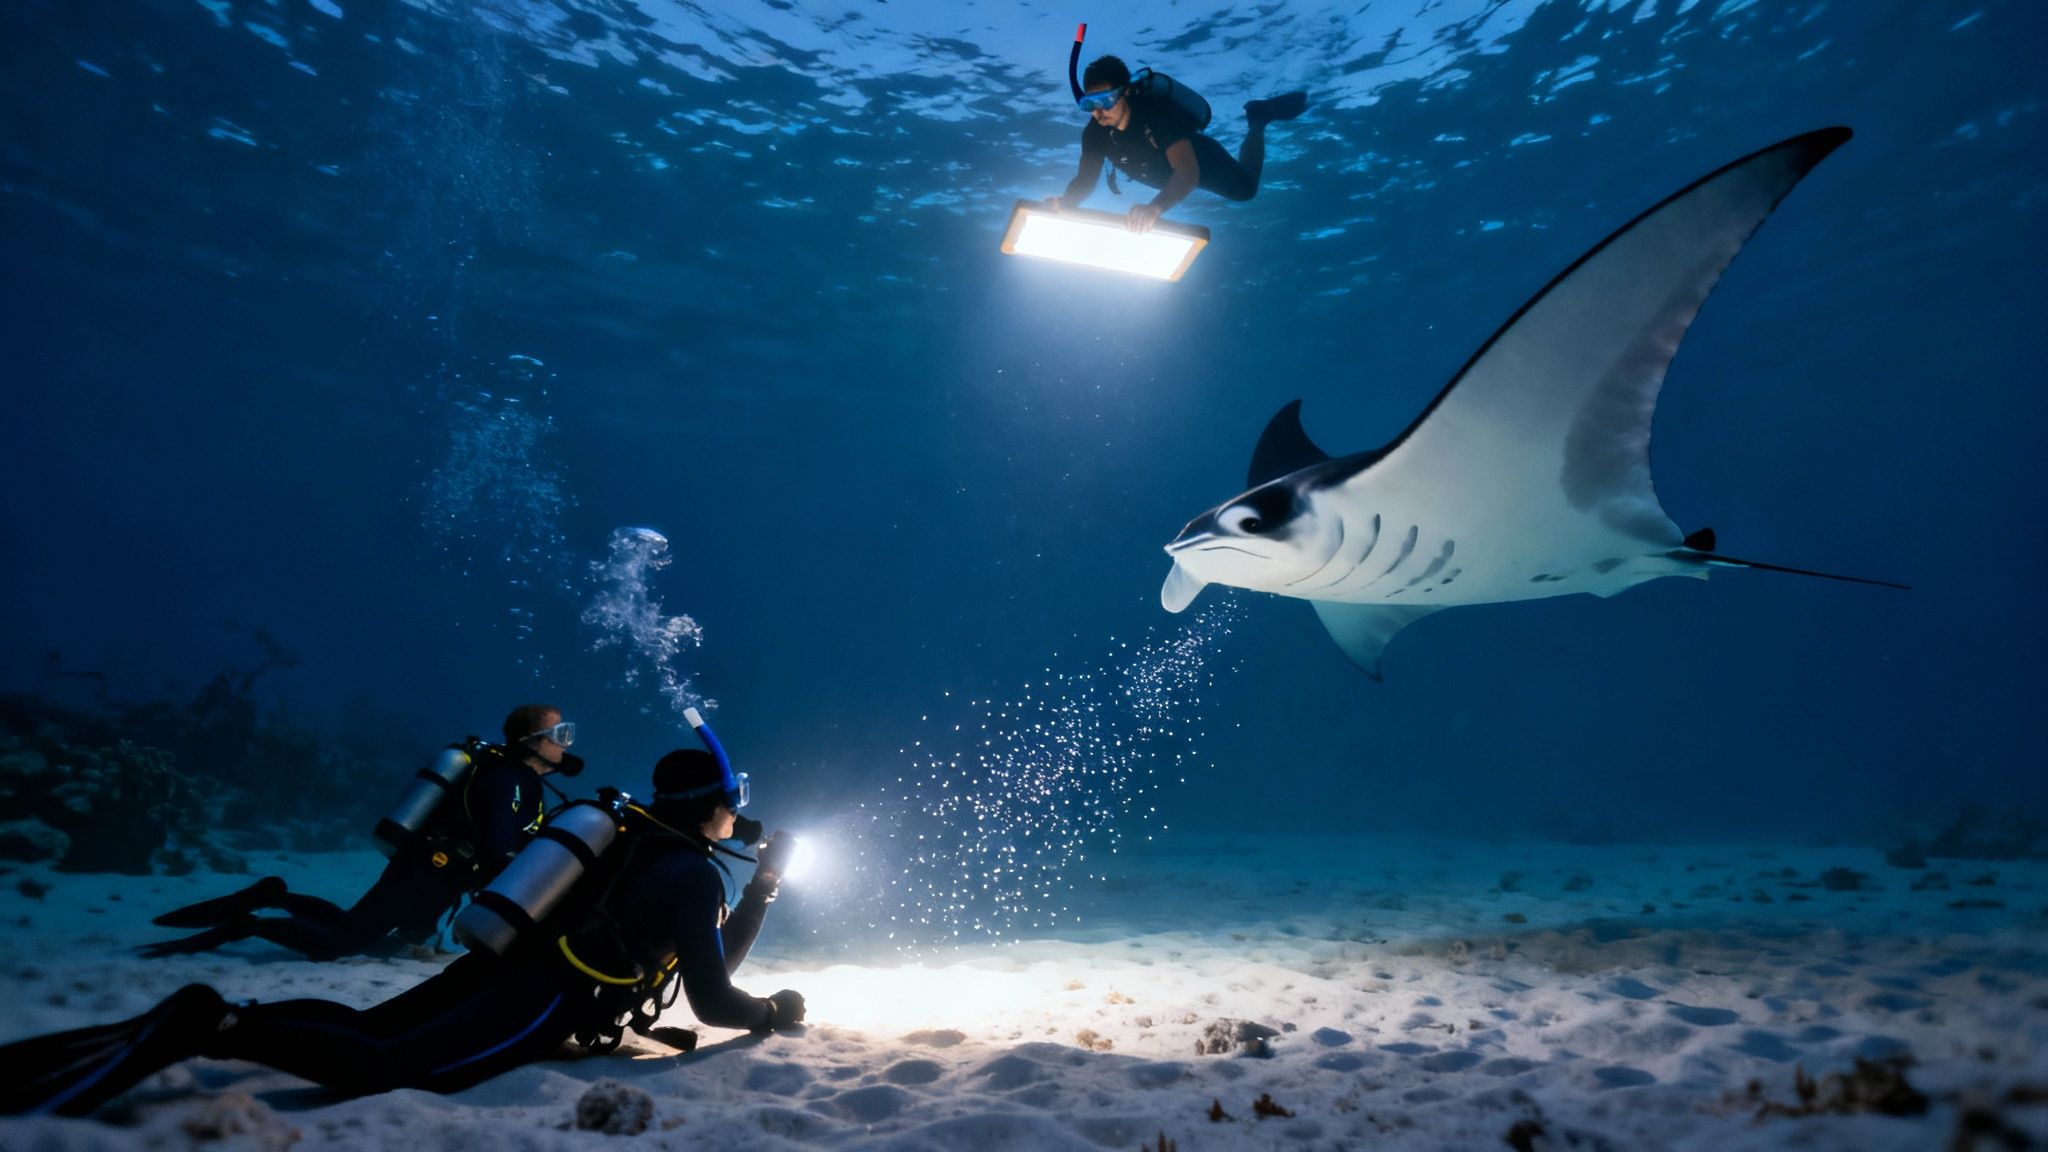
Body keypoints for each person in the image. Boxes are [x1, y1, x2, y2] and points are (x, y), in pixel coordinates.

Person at [0, 745, 805, 1116]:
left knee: (361, 1024)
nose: (738, 815)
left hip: (503, 961)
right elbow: (711, 997)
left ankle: (219, 1019)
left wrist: (761, 892)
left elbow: (694, 959)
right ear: (710, 807)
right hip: (541, 999)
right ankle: (214, 1023)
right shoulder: (693, 870)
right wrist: (772, 1013)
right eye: (731, 800)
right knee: (387, 1067)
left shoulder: (625, 837)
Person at [139, 704, 579, 960]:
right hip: (427, 872)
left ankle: (275, 894)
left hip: (431, 870)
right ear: (533, 741)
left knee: (365, 932)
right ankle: (247, 923)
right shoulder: (513, 780)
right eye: (558, 733)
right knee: (337, 945)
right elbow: (501, 848)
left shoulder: (512, 776)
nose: (565, 742)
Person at [1050, 54, 1308, 232]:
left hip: (1202, 161)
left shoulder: (1157, 115)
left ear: (1125, 92)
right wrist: (1065, 202)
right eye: (1089, 104)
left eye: (1105, 100)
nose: (1098, 112)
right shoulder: (1095, 134)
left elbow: (1187, 173)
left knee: (1246, 191)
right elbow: (1085, 181)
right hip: (1160, 173)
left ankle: (1258, 119)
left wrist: (1154, 209)